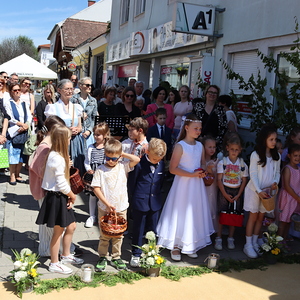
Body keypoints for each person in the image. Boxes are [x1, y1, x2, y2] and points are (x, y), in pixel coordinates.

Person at [157, 114, 214, 261]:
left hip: (196, 185)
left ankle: (190, 244)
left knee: (194, 212)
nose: (198, 131)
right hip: (183, 185)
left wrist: (203, 170)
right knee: (180, 212)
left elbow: (201, 163)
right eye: (195, 128)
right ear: (187, 128)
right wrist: (191, 174)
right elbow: (173, 169)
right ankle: (175, 245)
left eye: (200, 129)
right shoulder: (180, 146)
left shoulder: (200, 146)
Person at [36, 126, 84, 274]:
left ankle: (66, 254)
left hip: (61, 196)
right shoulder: (56, 158)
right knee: (58, 231)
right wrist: (72, 195)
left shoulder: (58, 155)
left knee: (71, 226)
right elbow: (61, 183)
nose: (70, 140)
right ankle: (54, 263)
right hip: (57, 197)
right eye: (69, 138)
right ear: (63, 140)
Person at [91, 138, 140, 271]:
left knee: (118, 234)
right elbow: (96, 188)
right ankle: (102, 256)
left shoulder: (123, 166)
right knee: (104, 234)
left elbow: (136, 160)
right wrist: (106, 204)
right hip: (105, 208)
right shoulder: (100, 170)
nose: (111, 161)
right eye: (108, 158)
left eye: (114, 158)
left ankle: (116, 256)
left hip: (121, 206)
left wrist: (122, 154)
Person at [29, 116, 68, 257]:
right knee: (52, 224)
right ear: (53, 131)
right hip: (46, 190)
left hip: (45, 189)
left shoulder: (46, 146)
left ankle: (46, 250)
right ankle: (59, 251)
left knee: (46, 224)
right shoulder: (44, 148)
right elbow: (41, 171)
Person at [243, 124, 281, 258]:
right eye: (271, 139)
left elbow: (277, 173)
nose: (274, 142)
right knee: (253, 217)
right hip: (255, 191)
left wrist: (275, 183)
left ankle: (254, 242)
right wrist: (258, 190)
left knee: (260, 217)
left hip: (267, 193)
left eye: (275, 139)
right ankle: (247, 245)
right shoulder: (255, 155)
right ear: (264, 139)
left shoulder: (276, 156)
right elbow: (253, 174)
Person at [129, 138, 167, 267]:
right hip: (140, 200)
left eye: (159, 159)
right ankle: (136, 253)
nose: (158, 162)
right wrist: (134, 198)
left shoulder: (161, 164)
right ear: (148, 151)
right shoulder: (139, 164)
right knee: (138, 229)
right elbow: (132, 183)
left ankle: (151, 251)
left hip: (155, 201)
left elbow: (160, 182)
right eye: (155, 159)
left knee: (152, 229)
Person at [44, 79, 84, 176]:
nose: (70, 91)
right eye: (67, 89)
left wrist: (77, 129)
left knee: (75, 168)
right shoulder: (53, 108)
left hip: (75, 142)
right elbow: (50, 129)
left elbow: (80, 126)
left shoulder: (76, 107)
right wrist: (66, 131)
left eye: (71, 89)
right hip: (60, 143)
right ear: (59, 90)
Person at [215, 135, 248, 250]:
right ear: (227, 148)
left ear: (240, 150)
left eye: (236, 150)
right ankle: (218, 238)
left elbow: (244, 180)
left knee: (234, 215)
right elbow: (219, 179)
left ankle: (230, 238)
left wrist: (239, 194)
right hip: (225, 190)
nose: (234, 152)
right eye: (232, 149)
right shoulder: (222, 162)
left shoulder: (242, 164)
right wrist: (224, 194)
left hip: (236, 192)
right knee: (222, 214)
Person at [84, 122, 110, 228]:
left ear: (105, 135)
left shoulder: (107, 148)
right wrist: (89, 169)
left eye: (98, 135)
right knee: (92, 196)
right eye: (94, 134)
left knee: (103, 196)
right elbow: (86, 161)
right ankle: (91, 216)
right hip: (93, 176)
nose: (95, 137)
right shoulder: (91, 147)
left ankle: (103, 216)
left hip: (103, 176)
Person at [5, 83, 32, 185]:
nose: (17, 92)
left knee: (22, 155)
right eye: (15, 90)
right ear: (11, 92)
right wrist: (20, 125)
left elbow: (29, 116)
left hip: (24, 130)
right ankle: (12, 175)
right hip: (14, 131)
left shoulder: (24, 103)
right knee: (13, 155)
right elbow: (10, 117)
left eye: (18, 90)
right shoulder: (8, 103)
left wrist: (26, 125)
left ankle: (17, 174)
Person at [193, 85, 227, 152]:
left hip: (214, 146)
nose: (212, 94)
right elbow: (192, 123)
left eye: (215, 93)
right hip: (199, 142)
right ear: (206, 93)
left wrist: (216, 141)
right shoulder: (198, 107)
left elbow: (224, 127)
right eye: (210, 92)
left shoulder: (220, 109)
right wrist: (198, 138)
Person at [278, 143, 300, 240]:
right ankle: (277, 242)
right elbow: (287, 186)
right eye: (295, 155)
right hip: (288, 198)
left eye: (299, 156)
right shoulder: (287, 169)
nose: (298, 158)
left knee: (289, 220)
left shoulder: (298, 169)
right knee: (283, 221)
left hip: (295, 199)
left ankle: (284, 240)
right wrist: (297, 198)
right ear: (289, 156)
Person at [71, 77, 98, 148]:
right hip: (77, 132)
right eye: (87, 85)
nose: (90, 87)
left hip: (88, 133)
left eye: (91, 85)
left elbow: (94, 118)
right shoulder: (73, 99)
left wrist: (89, 130)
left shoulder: (93, 101)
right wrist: (79, 114)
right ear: (80, 86)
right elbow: (69, 114)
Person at [201, 136, 219, 231]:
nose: (212, 149)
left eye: (214, 147)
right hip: (203, 189)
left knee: (212, 207)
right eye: (209, 147)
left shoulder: (216, 161)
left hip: (213, 189)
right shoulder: (200, 162)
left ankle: (210, 229)